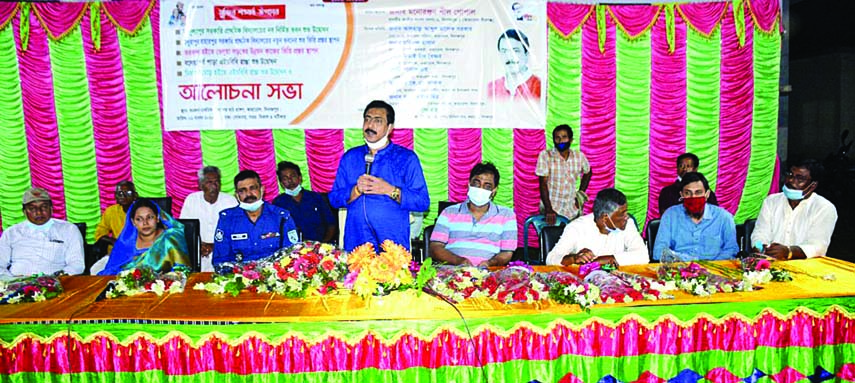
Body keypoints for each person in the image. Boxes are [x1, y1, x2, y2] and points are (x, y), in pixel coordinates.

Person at [330, 100, 430, 251]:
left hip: (392, 244)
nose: (370, 125)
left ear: (390, 128)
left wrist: (389, 190)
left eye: (378, 121)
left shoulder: (406, 158)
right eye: (367, 119)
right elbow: (334, 199)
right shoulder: (350, 157)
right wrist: (355, 190)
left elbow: (422, 202)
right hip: (357, 242)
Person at [429, 163, 517, 267]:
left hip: (489, 276)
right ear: (469, 184)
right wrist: (459, 261)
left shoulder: (506, 215)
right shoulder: (449, 212)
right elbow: (435, 247)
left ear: (494, 191)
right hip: (451, 273)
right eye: (476, 183)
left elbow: (506, 253)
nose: (480, 189)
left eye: (487, 186)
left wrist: (490, 264)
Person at [752, 159, 837, 259]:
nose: (791, 180)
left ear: (813, 185)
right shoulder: (771, 201)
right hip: (769, 262)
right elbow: (760, 232)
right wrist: (760, 247)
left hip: (805, 266)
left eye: (800, 178)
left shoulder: (824, 208)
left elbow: (817, 246)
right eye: (790, 174)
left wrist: (788, 252)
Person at [213, 170, 299, 267]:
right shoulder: (227, 219)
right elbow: (221, 259)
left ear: (262, 190)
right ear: (237, 195)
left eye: (252, 188)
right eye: (242, 190)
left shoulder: (281, 217)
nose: (248, 194)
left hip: (275, 276)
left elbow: (292, 255)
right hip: (239, 277)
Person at [546, 188, 648, 267]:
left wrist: (605, 260)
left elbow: (643, 255)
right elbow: (551, 259)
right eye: (622, 214)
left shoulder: (628, 224)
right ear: (605, 218)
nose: (627, 217)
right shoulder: (576, 227)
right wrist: (573, 258)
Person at [0, 188, 84, 278]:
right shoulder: (11, 233)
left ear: (51, 208)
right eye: (32, 208)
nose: (39, 212)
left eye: (44, 207)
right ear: (24, 211)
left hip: (56, 284)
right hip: (15, 284)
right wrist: (12, 281)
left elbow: (77, 265)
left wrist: (53, 280)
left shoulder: (69, 229)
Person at [653, 172, 738, 261]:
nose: (693, 197)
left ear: (707, 194)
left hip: (715, 270)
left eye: (698, 192)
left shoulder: (724, 217)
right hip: (680, 269)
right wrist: (689, 263)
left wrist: (710, 267)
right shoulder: (670, 215)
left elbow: (731, 250)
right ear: (681, 195)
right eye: (688, 193)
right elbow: (658, 252)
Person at [98, 199, 189, 275]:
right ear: (133, 222)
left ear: (157, 218)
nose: (145, 223)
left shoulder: (171, 240)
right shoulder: (125, 243)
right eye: (139, 219)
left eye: (150, 217)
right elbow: (110, 273)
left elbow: (182, 273)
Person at [179, 166, 238, 272]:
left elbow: (236, 231)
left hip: (224, 253)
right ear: (201, 185)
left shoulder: (230, 201)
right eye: (209, 182)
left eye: (217, 182)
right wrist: (198, 245)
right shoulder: (192, 200)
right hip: (198, 254)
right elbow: (184, 229)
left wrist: (216, 246)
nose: (214, 186)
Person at [536, 124, 591, 224]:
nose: (560, 141)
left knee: (573, 239)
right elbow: (542, 184)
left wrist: (581, 194)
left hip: (572, 209)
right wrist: (549, 209)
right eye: (557, 138)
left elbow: (588, 172)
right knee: (551, 238)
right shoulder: (545, 156)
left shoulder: (579, 156)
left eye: (564, 137)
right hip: (552, 210)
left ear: (570, 140)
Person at [272, 161, 336, 243]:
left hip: (320, 246)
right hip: (291, 250)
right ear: (281, 183)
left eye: (293, 176)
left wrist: (323, 244)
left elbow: (331, 224)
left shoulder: (316, 198)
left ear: (300, 178)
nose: (290, 180)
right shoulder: (278, 203)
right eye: (285, 178)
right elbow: (276, 230)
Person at [487, 29, 541, 100]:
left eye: (515, 51)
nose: (509, 57)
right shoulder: (492, 88)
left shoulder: (539, 86)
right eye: (504, 51)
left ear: (526, 54)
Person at [94, 181, 136, 256]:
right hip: (116, 253)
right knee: (95, 268)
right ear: (115, 196)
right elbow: (100, 234)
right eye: (120, 193)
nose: (123, 196)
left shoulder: (142, 210)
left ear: (135, 195)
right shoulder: (111, 211)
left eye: (128, 193)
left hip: (138, 253)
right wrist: (115, 242)